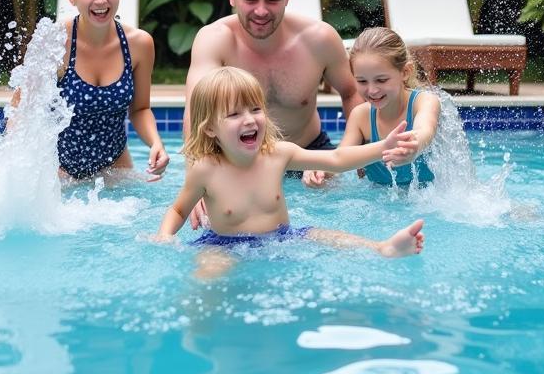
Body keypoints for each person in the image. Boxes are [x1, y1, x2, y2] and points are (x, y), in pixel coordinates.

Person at [156, 67, 425, 277]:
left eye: (256, 109)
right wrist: (165, 235)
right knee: (209, 275)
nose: (249, 119)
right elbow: (178, 210)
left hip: (283, 238)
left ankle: (383, 248)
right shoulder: (206, 170)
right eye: (234, 114)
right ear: (210, 128)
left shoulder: (278, 154)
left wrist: (383, 147)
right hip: (223, 244)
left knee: (327, 236)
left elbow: (336, 158)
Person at [184, 0, 363, 199]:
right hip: (237, 160)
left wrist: (349, 158)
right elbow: (195, 109)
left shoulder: (318, 39)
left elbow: (352, 92)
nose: (261, 11)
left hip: (309, 157)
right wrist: (197, 180)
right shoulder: (215, 40)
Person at [14, 0, 169, 181]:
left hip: (115, 170)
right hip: (59, 174)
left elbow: (140, 109)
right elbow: (20, 108)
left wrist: (156, 142)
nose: (100, 0)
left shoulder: (139, 44)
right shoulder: (55, 42)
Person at [339, 27, 440, 185]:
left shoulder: (424, 102)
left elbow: (425, 130)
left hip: (427, 200)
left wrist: (414, 144)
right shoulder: (360, 116)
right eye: (362, 81)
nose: (372, 90)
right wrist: (321, 171)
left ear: (405, 72)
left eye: (381, 80)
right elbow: (341, 157)